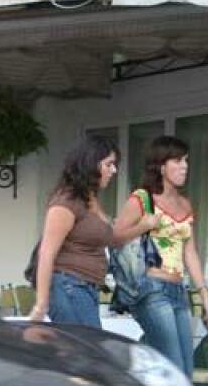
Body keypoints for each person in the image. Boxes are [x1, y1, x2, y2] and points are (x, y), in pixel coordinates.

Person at [115, 136, 208, 376]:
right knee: (175, 369)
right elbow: (115, 237)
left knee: (185, 372)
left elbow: (190, 250)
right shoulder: (142, 199)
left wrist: (205, 294)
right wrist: (143, 226)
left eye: (186, 161)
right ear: (161, 166)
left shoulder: (185, 203)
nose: (185, 166)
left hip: (179, 291)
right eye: (178, 160)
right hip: (151, 289)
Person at [29, 133, 139, 327]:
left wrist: (144, 226)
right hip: (69, 285)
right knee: (86, 352)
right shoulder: (67, 201)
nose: (114, 170)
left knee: (82, 351)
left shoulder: (90, 200)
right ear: (91, 164)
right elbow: (46, 253)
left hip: (86, 287)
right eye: (108, 164)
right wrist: (41, 303)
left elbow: (113, 239)